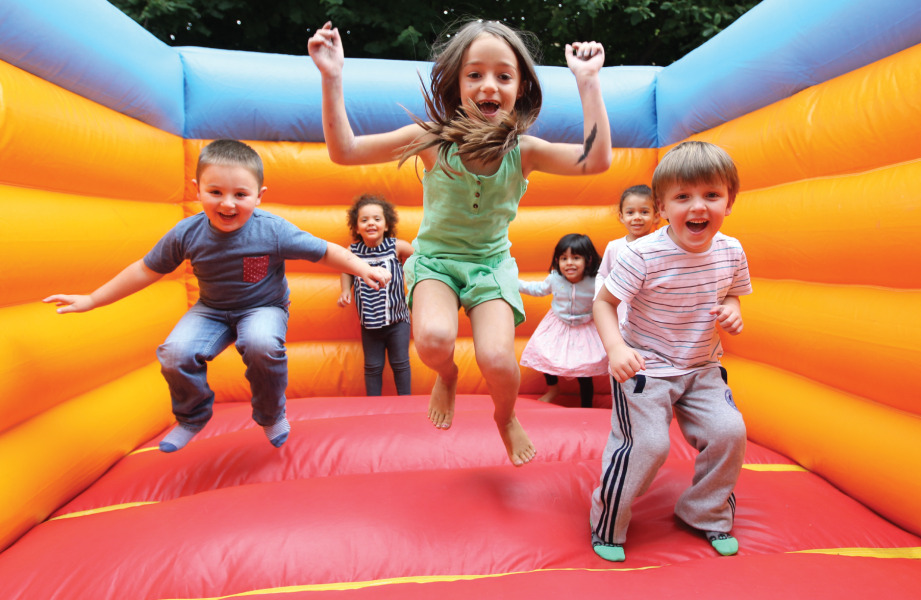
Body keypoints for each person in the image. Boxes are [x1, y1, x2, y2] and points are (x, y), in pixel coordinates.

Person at [308, 19, 612, 466]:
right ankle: (446, 376)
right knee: (432, 339)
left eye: (503, 76)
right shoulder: (431, 142)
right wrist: (332, 77)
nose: (489, 85)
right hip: (436, 261)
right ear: (456, 83)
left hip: (490, 266)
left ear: (520, 86)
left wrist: (588, 83)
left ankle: (504, 417)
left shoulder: (523, 151)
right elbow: (345, 151)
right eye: (475, 74)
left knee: (498, 360)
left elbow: (596, 160)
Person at [44, 140, 391, 452]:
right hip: (211, 310)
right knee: (174, 353)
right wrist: (92, 299)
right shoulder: (187, 233)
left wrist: (364, 268)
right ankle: (192, 416)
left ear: (259, 196)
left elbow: (326, 251)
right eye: (215, 192)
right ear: (197, 190)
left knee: (261, 344)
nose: (227, 203)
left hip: (262, 307)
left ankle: (270, 414)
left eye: (240, 195)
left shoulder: (272, 229)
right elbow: (145, 270)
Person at [589, 141, 751, 561]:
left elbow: (733, 294)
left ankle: (706, 512)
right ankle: (607, 523)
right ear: (662, 206)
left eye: (711, 195)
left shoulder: (731, 251)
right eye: (683, 197)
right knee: (648, 446)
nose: (698, 207)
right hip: (645, 366)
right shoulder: (641, 255)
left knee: (729, 432)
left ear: (729, 201)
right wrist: (616, 348)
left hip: (701, 364)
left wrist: (732, 311)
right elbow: (603, 303)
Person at [338, 193, 414, 396]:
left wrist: (414, 279)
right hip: (369, 322)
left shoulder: (396, 246)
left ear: (386, 225)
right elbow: (346, 269)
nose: (371, 223)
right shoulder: (353, 251)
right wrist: (346, 290)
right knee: (372, 366)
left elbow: (418, 256)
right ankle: (373, 404)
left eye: (377, 219)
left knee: (400, 363)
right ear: (356, 227)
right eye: (364, 220)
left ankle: (405, 401)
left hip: (398, 319)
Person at [518, 233, 606, 407]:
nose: (569, 263)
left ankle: (586, 404)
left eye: (576, 258)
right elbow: (538, 289)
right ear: (557, 260)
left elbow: (610, 297)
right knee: (544, 354)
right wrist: (515, 283)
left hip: (585, 326)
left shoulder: (595, 281)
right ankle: (553, 389)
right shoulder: (555, 278)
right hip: (558, 324)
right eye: (564, 258)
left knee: (584, 368)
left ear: (588, 260)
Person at [594, 184, 658, 308]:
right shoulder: (614, 247)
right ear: (621, 217)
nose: (637, 217)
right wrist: (601, 300)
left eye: (644, 212)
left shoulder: (659, 247)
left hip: (648, 313)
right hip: (619, 310)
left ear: (656, 216)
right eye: (630, 212)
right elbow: (602, 275)